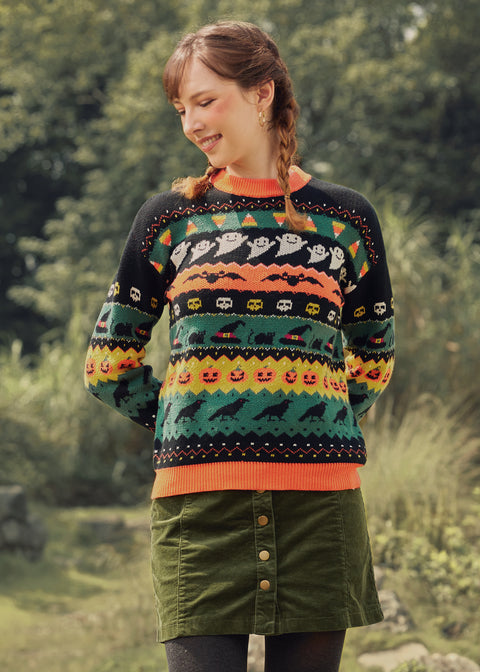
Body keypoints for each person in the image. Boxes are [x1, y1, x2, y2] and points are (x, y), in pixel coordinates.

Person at [84, 20, 394, 672]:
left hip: (320, 511)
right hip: (198, 511)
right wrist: (187, 420)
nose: (192, 123)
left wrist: (315, 417)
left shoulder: (348, 220)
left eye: (205, 101)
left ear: (262, 93)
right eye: (181, 109)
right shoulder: (168, 219)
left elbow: (374, 355)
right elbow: (108, 364)